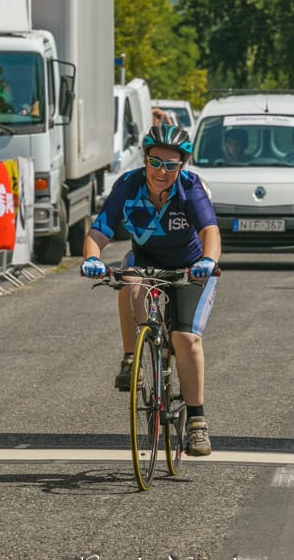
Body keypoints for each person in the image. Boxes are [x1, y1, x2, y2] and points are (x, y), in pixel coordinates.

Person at [80, 123, 221, 456]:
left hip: (189, 266)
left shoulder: (189, 187)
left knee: (186, 339)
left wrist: (207, 260)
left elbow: (210, 231)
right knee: (129, 285)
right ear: (144, 159)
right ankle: (132, 358)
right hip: (145, 260)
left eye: (172, 165)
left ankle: (197, 421)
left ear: (182, 166)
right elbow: (99, 231)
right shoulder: (128, 186)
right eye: (156, 162)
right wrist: (92, 258)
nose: (162, 171)